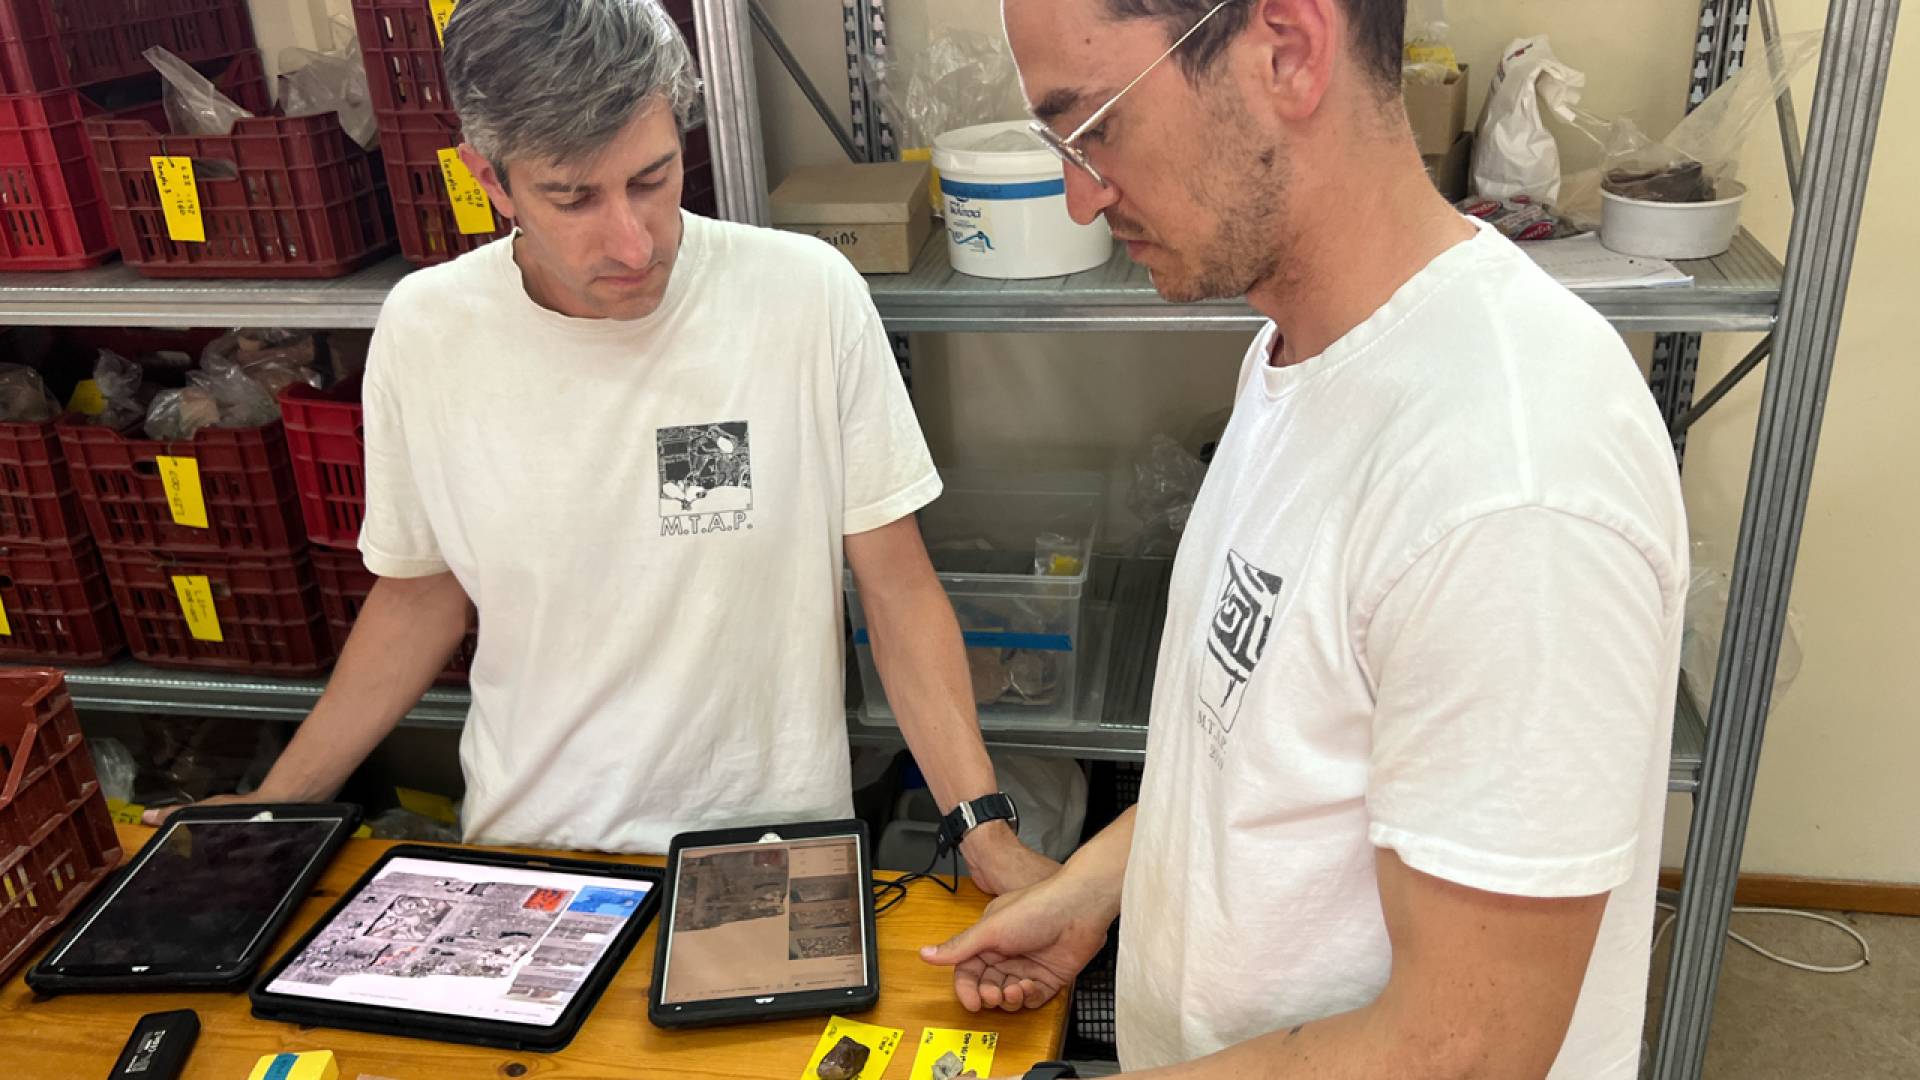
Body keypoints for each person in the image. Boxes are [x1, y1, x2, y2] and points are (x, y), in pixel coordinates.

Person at [923, 1, 1689, 1076]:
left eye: (1094, 125)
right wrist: (1091, 893)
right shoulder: (1300, 350)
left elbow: (1461, 1050)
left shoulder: (1512, 481)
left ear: (1285, 49)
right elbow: (1265, 747)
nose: (1080, 194)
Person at [147, 0, 1056, 896]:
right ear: (489, 179)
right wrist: (274, 805)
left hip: (763, 852)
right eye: (573, 196)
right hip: (532, 855)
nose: (630, 241)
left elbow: (896, 589)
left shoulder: (802, 298)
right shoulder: (429, 333)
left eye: (652, 179)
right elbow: (421, 594)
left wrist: (982, 831)